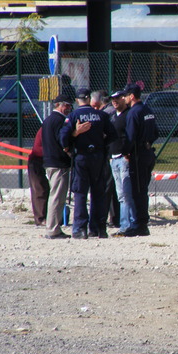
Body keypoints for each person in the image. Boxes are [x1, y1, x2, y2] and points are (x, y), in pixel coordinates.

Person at [60, 88, 116, 239]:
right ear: (90, 99)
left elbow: (63, 136)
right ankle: (99, 228)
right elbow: (113, 134)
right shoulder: (101, 115)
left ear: (77, 100)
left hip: (81, 156)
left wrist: (68, 145)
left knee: (80, 193)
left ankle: (80, 229)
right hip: (98, 157)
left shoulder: (74, 116)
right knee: (98, 193)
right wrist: (102, 144)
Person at [122, 83, 159, 236]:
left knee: (137, 191)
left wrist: (125, 152)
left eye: (125, 95)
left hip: (138, 155)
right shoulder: (147, 110)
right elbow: (156, 132)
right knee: (143, 189)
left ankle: (139, 224)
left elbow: (130, 137)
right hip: (148, 153)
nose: (124, 98)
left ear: (132, 96)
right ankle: (142, 223)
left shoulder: (133, 112)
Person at [42, 94, 75, 240]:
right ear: (59, 105)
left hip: (50, 161)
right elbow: (63, 140)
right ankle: (53, 229)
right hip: (58, 163)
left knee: (56, 195)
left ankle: (53, 227)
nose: (68, 108)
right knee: (57, 197)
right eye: (66, 105)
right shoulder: (60, 120)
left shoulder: (48, 120)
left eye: (69, 106)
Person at [108, 90, 137, 237]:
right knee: (121, 195)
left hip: (123, 158)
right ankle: (131, 222)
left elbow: (131, 136)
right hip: (114, 159)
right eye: (112, 99)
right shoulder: (112, 116)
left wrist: (127, 153)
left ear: (124, 99)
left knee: (125, 194)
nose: (114, 101)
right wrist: (110, 156)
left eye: (118, 98)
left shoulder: (128, 115)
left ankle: (127, 225)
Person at [91, 89, 120, 229]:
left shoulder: (105, 114)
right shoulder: (114, 112)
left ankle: (103, 217)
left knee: (107, 186)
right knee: (115, 187)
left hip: (107, 153)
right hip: (115, 152)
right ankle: (115, 218)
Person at [27, 127, 49, 227]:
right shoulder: (46, 129)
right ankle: (40, 218)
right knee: (40, 189)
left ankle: (48, 216)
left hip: (46, 159)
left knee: (46, 188)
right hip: (37, 159)